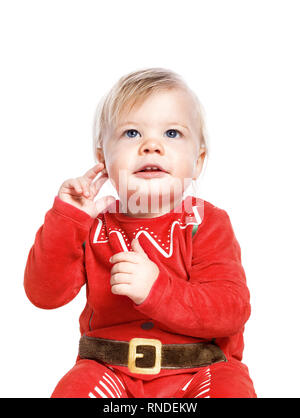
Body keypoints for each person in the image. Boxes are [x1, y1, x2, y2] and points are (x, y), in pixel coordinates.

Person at [24, 67, 256, 398]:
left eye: (172, 134)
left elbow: (231, 310)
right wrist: (67, 219)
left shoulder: (205, 222)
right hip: (109, 368)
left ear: (198, 160)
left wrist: (156, 290)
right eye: (131, 133)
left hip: (200, 369)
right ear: (103, 156)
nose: (151, 146)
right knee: (76, 389)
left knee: (230, 389)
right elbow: (44, 294)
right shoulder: (93, 223)